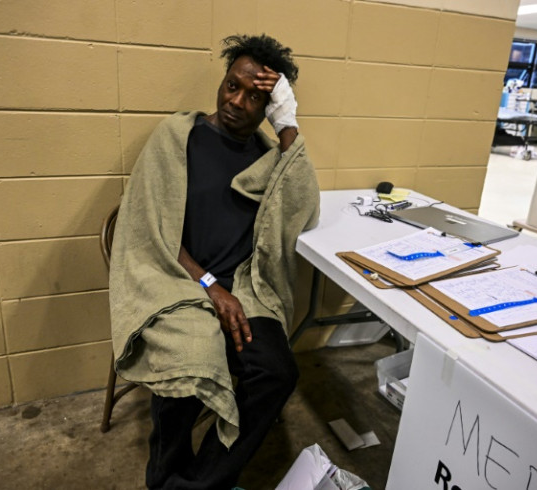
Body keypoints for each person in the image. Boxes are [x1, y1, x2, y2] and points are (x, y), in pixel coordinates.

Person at [109, 34, 320, 489]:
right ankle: (163, 476)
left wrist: (288, 123)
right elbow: (150, 232)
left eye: (256, 97)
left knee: (277, 372)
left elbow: (304, 206)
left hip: (244, 289)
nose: (237, 102)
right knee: (189, 358)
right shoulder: (177, 138)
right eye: (232, 86)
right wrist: (208, 285)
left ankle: (203, 482)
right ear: (222, 82)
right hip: (176, 280)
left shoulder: (268, 156)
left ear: (269, 107)